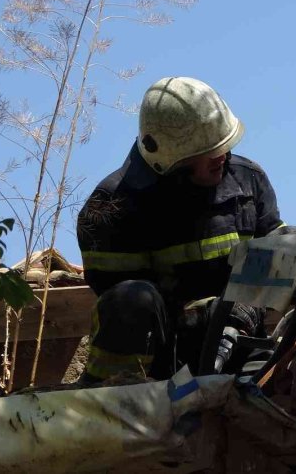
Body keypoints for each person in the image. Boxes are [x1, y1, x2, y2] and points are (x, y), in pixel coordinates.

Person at [76, 76, 284, 381]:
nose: (223, 157)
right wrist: (202, 316)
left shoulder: (248, 182)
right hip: (156, 362)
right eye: (210, 150)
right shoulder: (111, 208)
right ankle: (109, 409)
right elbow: (124, 310)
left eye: (224, 144)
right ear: (172, 157)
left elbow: (277, 257)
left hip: (239, 344)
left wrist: (240, 309)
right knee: (131, 299)